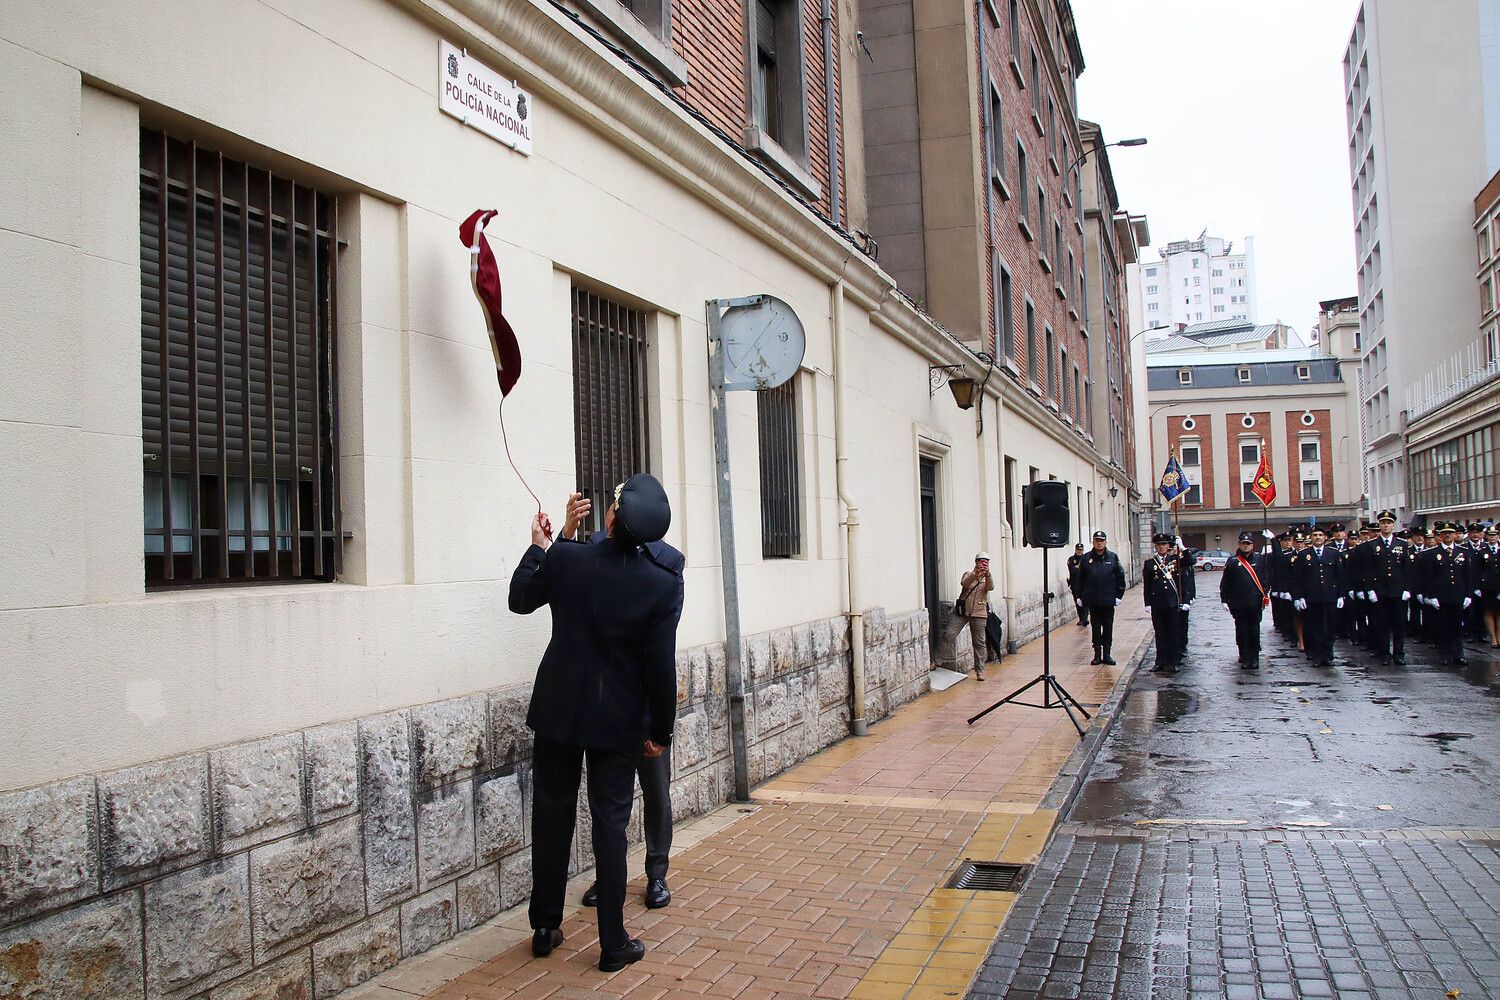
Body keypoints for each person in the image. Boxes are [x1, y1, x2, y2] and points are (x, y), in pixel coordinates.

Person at [509, 474, 684, 972]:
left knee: (552, 816)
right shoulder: (662, 582)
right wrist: (660, 732)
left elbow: (521, 597)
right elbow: (660, 666)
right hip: (618, 721)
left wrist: (547, 541)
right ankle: (612, 942)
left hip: (559, 712)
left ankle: (545, 926)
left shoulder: (568, 557)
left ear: (609, 518)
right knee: (611, 826)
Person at [556, 492, 676, 914]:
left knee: (656, 790)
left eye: (617, 505)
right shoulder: (593, 548)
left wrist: (660, 720)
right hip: (608, 702)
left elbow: (661, 644)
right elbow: (566, 569)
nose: (612, 513)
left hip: (643, 700)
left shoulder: (669, 562)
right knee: (609, 804)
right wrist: (566, 530)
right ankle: (611, 881)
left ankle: (657, 872)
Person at [1416, 520, 1478, 666]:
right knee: (1442, 626)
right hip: (1441, 595)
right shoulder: (1432, 554)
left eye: (1450, 533)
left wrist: (1468, 595)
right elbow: (1429, 577)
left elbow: (1469, 575)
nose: (1448, 536)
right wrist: (1431, 596)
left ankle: (1459, 654)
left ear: (1455, 535)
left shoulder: (1463, 552)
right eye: (1445, 533)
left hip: (1458, 594)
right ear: (1440, 536)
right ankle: (1444, 653)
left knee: (1457, 626)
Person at [1355, 510, 1413, 665]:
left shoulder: (1401, 544)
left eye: (1389, 523)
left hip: (1398, 590)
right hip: (1379, 590)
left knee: (1399, 624)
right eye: (1383, 523)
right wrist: (1369, 590)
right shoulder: (1372, 545)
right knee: (1382, 624)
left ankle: (1399, 653)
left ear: (1393, 525)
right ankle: (1384, 653)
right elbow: (1366, 570)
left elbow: (1407, 568)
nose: (1386, 525)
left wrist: (1407, 588)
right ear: (1379, 525)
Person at [1292, 526, 1344, 668]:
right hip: (1311, 598)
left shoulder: (1333, 553)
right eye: (1315, 535)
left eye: (1321, 535)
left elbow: (1340, 576)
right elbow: (1298, 578)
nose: (1318, 537)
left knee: (1329, 627)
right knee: (1313, 628)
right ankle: (1316, 655)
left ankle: (1327, 654)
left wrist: (1341, 595)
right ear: (1311, 538)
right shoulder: (1304, 554)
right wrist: (1298, 597)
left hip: (1330, 596)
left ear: (1325, 537)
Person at [1220, 530, 1269, 669]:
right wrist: (1224, 599)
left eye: (1248, 543)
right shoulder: (1232, 561)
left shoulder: (1260, 559)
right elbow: (1226, 582)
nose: (1246, 546)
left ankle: (1254, 659)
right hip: (1238, 604)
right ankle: (1245, 657)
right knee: (1242, 632)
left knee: (1254, 632)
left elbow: (1266, 579)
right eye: (1243, 543)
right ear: (1239, 544)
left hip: (1254, 603)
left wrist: (1265, 594)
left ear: (1252, 545)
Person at [1078, 530, 1126, 665]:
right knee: (1095, 627)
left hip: (1108, 600)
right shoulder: (1086, 558)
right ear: (1093, 542)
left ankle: (1107, 654)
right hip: (1093, 600)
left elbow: (1120, 578)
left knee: (1108, 627)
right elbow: (1080, 579)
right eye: (1097, 540)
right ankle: (1097, 654)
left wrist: (1119, 596)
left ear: (1105, 542)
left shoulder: (1112, 557)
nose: (1099, 543)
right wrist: (1079, 596)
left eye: (1101, 541)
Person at [1144, 532, 1185, 673]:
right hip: (1157, 603)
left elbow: (1190, 561)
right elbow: (1147, 585)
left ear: (1168, 546)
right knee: (1160, 633)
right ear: (1155, 546)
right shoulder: (1150, 563)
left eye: (1164, 544)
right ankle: (1160, 662)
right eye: (1159, 545)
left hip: (1172, 603)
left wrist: (1182, 547)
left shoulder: (1175, 560)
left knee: (1173, 633)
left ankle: (1172, 662)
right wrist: (1147, 603)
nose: (1161, 547)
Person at [955, 552, 995, 680]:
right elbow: (964, 584)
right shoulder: (969, 574)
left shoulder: (987, 577)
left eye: (986, 562)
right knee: (950, 633)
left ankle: (980, 670)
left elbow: (991, 587)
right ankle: (939, 660)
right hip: (963, 611)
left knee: (979, 642)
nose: (983, 564)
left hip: (979, 612)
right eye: (980, 561)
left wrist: (987, 574)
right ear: (975, 562)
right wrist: (974, 574)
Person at [1479, 524, 1500, 649]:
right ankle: (1493, 637)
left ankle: (1499, 636)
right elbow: (1477, 570)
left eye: (1494, 535)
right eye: (1490, 536)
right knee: (1489, 611)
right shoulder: (1482, 551)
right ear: (1486, 537)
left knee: (1499, 611)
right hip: (1487, 587)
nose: (1492, 538)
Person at [1066, 543, 1090, 628]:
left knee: (1085, 601)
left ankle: (1085, 618)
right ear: (1075, 550)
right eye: (1078, 550)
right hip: (1075, 584)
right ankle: (1081, 619)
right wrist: (1079, 568)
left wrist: (1078, 568)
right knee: (1078, 602)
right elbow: (1072, 570)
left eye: (1081, 550)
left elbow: (1088, 570)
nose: (1079, 551)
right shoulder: (1071, 559)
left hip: (1085, 584)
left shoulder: (1086, 558)